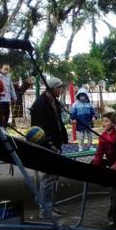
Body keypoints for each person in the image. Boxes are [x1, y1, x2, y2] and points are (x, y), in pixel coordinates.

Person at [30, 77, 68, 219]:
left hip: (55, 142)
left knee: (53, 177)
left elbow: (58, 122)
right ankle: (45, 209)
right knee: (47, 177)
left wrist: (63, 138)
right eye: (59, 88)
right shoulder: (40, 104)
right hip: (46, 144)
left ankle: (50, 206)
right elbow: (41, 128)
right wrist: (51, 144)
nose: (61, 90)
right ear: (52, 89)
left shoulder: (54, 102)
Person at [91, 112, 116, 225]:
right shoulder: (103, 137)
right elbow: (99, 154)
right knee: (114, 193)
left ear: (113, 123)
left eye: (106, 121)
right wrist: (94, 166)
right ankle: (114, 216)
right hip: (111, 164)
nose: (103, 123)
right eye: (103, 121)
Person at [0, 63, 17, 128]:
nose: (6, 71)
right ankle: (0, 128)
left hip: (7, 99)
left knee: (7, 114)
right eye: (5, 69)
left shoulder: (8, 77)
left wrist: (14, 97)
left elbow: (11, 88)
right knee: (1, 115)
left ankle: (4, 128)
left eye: (8, 69)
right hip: (0, 100)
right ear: (0, 69)